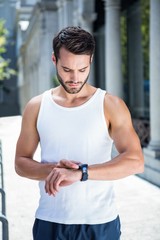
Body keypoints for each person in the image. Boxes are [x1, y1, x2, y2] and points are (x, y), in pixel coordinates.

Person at [15, 26, 144, 240]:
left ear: (91, 61)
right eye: (67, 69)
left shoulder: (110, 104)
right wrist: (55, 170)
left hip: (100, 222)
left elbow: (136, 161)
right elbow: (20, 162)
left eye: (82, 69)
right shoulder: (37, 106)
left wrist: (80, 172)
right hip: (50, 220)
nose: (75, 77)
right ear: (54, 60)